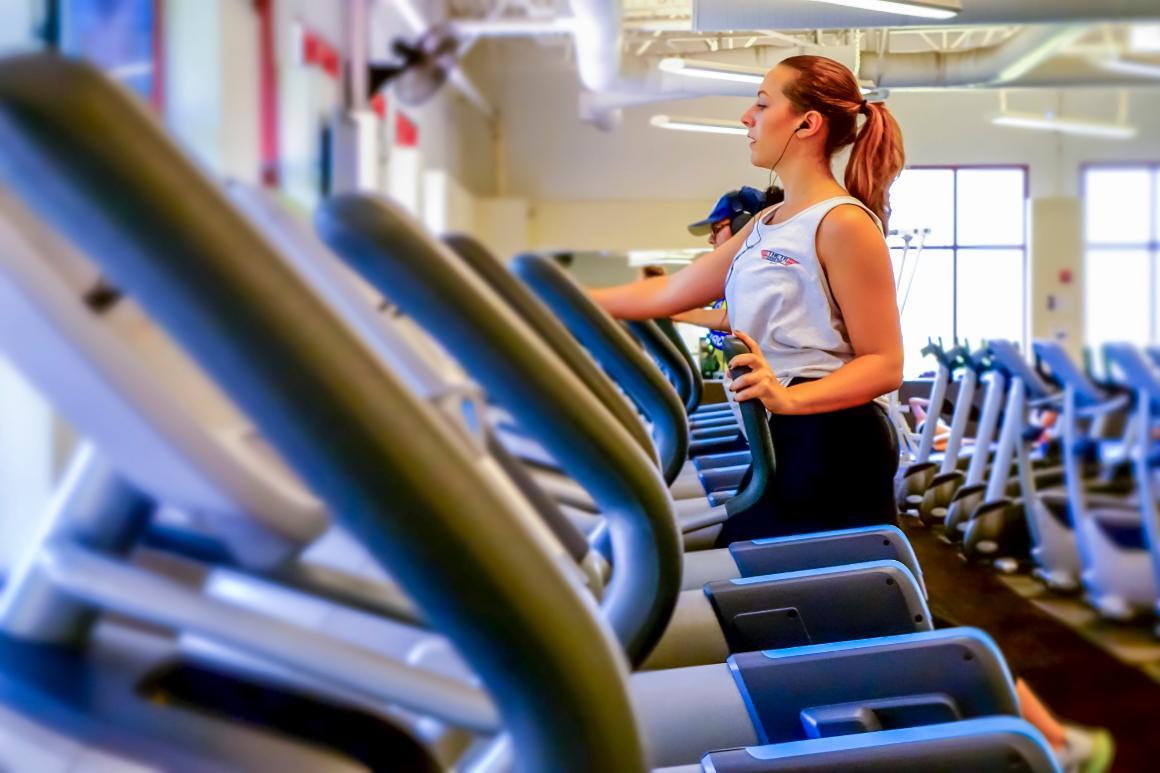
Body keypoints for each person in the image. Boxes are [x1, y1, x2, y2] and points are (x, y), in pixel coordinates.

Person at [591, 54, 903, 543]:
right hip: (783, 437)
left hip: (831, 444)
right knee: (744, 586)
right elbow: (673, 290)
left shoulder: (843, 222)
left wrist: (788, 398)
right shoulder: (767, 222)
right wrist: (552, 299)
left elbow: (884, 364)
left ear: (807, 123)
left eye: (761, 104)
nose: (746, 117)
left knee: (772, 601)